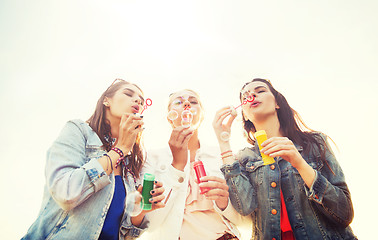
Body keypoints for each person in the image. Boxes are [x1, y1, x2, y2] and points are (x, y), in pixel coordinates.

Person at [213, 78, 358, 239]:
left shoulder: (316, 142)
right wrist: (223, 141)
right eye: (245, 96)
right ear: (245, 115)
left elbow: (344, 213)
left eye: (260, 90)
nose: (251, 95)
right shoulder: (244, 159)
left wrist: (300, 163)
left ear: (277, 104)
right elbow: (244, 207)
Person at [22, 79, 165, 240]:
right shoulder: (78, 131)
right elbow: (66, 192)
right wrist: (119, 150)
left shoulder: (130, 163)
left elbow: (125, 234)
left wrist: (140, 210)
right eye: (128, 93)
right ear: (106, 101)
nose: (138, 100)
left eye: (141, 99)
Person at [143, 89, 251, 240]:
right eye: (179, 102)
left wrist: (223, 202)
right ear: (169, 118)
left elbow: (247, 221)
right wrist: (176, 167)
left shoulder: (223, 156)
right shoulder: (152, 158)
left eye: (193, 102)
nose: (187, 103)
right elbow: (147, 223)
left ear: (201, 115)